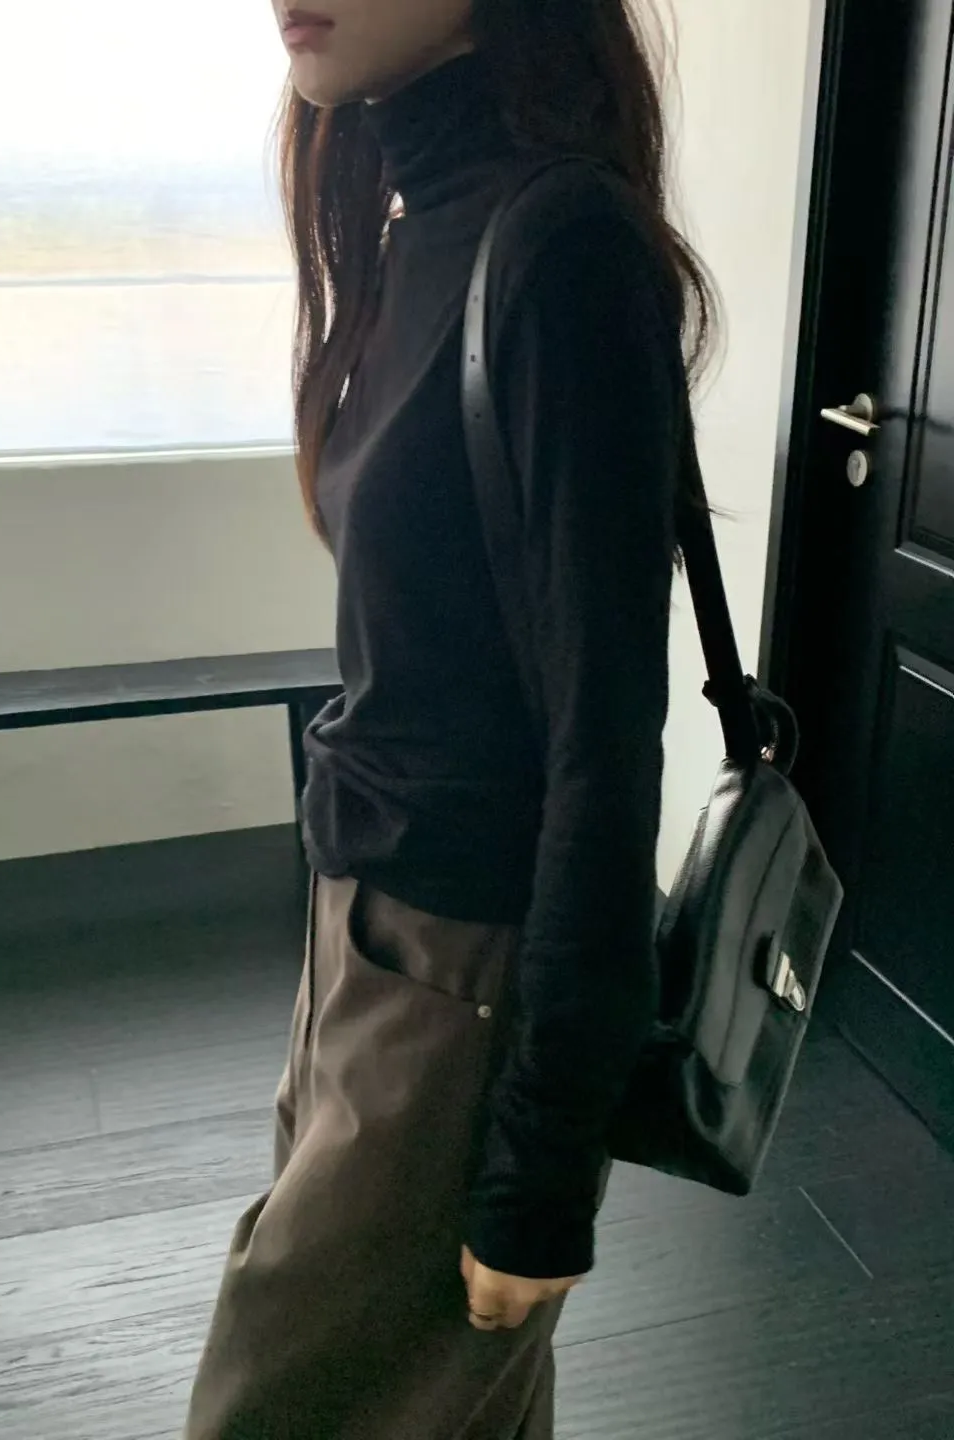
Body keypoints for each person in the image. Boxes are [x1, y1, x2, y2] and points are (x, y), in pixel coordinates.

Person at [185, 1, 715, 1435]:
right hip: (365, 933)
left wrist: (544, 1165)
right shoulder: (423, 218)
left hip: (462, 977)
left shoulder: (563, 246)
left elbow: (608, 748)